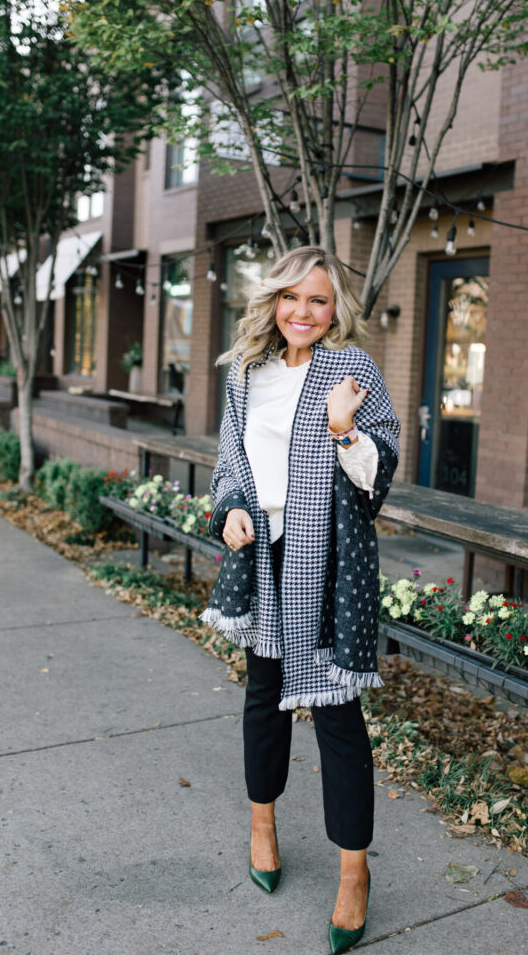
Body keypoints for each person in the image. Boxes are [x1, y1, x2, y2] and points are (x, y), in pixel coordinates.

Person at [201, 246, 400, 954]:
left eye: (318, 301)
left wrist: (344, 424)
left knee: (337, 713)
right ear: (272, 303)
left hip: (327, 560)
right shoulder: (245, 375)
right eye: (291, 298)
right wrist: (228, 508)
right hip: (261, 554)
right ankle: (262, 827)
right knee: (262, 696)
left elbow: (377, 478)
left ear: (334, 308)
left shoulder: (353, 373)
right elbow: (228, 461)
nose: (302, 313)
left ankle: (353, 873)